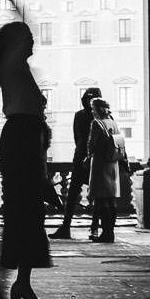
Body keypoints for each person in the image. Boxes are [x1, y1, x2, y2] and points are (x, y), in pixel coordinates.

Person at [0, 15, 51, 299]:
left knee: (30, 215)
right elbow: (24, 26)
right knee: (21, 214)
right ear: (17, 43)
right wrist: (14, 3)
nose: (33, 41)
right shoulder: (12, 65)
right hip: (22, 141)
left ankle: (21, 283)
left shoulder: (20, 68)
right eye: (28, 38)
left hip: (27, 140)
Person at [48, 85, 103, 240]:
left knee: (85, 195)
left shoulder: (84, 116)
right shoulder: (96, 116)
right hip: (85, 159)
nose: (88, 102)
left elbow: (77, 138)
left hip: (87, 159)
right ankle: (85, 228)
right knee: (77, 194)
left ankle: (81, 228)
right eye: (86, 99)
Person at [85, 96, 127, 244]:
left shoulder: (96, 123)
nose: (92, 111)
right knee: (111, 199)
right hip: (113, 163)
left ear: (97, 109)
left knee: (102, 199)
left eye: (93, 108)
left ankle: (106, 232)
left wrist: (88, 156)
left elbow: (92, 144)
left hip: (100, 164)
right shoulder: (113, 123)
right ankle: (110, 232)